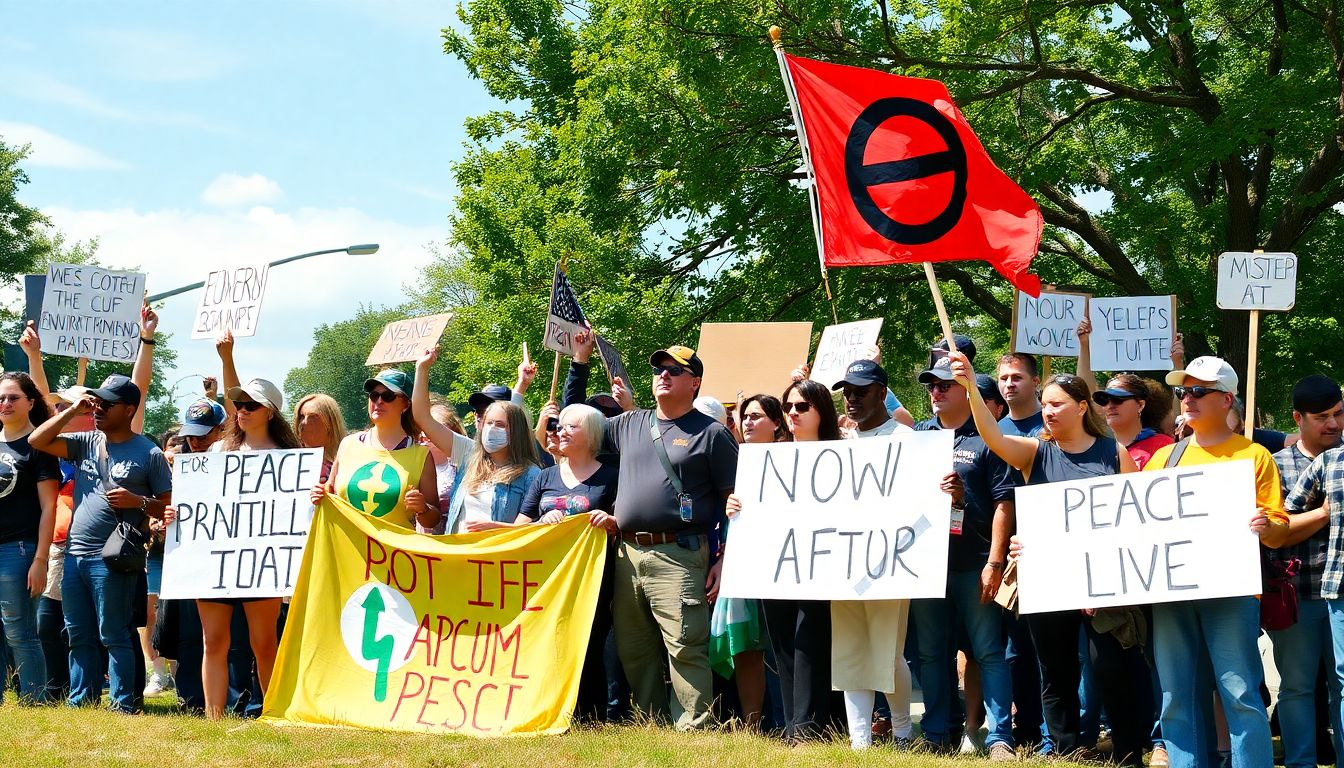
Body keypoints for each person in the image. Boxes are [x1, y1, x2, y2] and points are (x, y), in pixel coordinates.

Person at [950, 351, 1155, 765]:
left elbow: (1135, 520)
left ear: (1081, 407)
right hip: (1049, 582)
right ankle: (1064, 751)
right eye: (1044, 405)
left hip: (1104, 585)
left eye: (1057, 404)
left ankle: (1129, 752)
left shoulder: (1114, 455)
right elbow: (992, 436)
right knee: (1056, 674)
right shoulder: (1034, 454)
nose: (1048, 412)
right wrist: (972, 387)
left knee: (1111, 670)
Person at [1143, 355, 1291, 768]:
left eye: (1198, 391)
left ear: (1226, 400)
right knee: (1175, 696)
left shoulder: (1254, 456)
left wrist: (1267, 526)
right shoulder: (1163, 459)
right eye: (1182, 391)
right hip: (1172, 594)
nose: (1187, 399)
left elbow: (1279, 527)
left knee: (1241, 694)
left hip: (1233, 592)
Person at [602, 344, 737, 730]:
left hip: (680, 553)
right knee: (634, 647)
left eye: (674, 371)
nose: (663, 374)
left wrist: (724, 559)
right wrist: (579, 363)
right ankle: (652, 724)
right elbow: (573, 428)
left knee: (684, 645)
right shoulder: (629, 424)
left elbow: (737, 503)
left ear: (694, 383)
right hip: (627, 555)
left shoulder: (711, 434)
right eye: (659, 368)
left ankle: (695, 726)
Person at [29, 374, 172, 713]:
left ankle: (122, 702)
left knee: (113, 632)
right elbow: (38, 439)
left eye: (108, 403)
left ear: (129, 409)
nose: (99, 408)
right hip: (75, 555)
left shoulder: (148, 452)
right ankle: (82, 698)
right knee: (77, 632)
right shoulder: (86, 441)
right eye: (98, 401)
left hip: (114, 557)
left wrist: (138, 501)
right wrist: (71, 411)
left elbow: (168, 505)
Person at [909, 358, 1017, 761]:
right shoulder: (919, 435)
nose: (935, 392)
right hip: (924, 565)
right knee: (932, 653)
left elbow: (1004, 504)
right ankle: (936, 733)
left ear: (965, 390)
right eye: (931, 386)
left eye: (944, 385)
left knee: (989, 651)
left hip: (973, 563)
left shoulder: (987, 436)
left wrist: (994, 561)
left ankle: (999, 736)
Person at [725, 384, 834, 741]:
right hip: (776, 564)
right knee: (783, 645)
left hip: (822, 565)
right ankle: (791, 727)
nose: (793, 412)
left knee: (808, 644)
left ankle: (808, 726)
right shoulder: (769, 459)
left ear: (821, 409)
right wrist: (734, 506)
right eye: (788, 406)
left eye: (802, 405)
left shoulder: (842, 454)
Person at [818, 360, 917, 750]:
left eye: (861, 391)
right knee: (850, 650)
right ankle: (860, 742)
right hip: (843, 561)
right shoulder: (838, 445)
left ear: (882, 393)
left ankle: (904, 732)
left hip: (891, 562)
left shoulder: (907, 441)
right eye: (847, 391)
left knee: (888, 652)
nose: (852, 399)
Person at [193, 375, 301, 720]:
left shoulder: (290, 457)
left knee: (264, 643)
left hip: (262, 561)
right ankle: (214, 718)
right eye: (238, 404)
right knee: (213, 642)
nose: (242, 410)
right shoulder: (216, 451)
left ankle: (272, 712)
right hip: (217, 558)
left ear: (270, 412)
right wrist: (176, 512)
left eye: (251, 405)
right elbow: (200, 502)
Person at [518, 403, 617, 721]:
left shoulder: (612, 476)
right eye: (559, 425)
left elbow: (625, 523)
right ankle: (551, 709)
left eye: (570, 426)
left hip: (595, 578)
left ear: (591, 434)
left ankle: (591, 716)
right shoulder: (544, 476)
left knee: (590, 644)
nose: (559, 431)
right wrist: (542, 521)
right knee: (552, 640)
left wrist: (610, 520)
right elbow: (520, 529)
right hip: (549, 578)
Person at [1265, 375, 1344, 768]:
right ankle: (1300, 762)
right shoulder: (1274, 467)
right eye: (1322, 417)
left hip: (1341, 595)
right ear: (1298, 418)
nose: (1333, 424)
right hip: (1296, 595)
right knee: (1296, 688)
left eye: (1339, 414)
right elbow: (1274, 534)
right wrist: (1326, 512)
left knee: (1343, 687)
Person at [412, 348, 540, 534]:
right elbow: (423, 417)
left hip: (497, 558)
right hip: (459, 556)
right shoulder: (468, 453)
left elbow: (534, 532)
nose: (491, 429)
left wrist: (497, 530)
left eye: (499, 425)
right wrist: (422, 369)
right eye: (487, 422)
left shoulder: (531, 475)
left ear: (515, 431)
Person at [699, 394, 768, 729]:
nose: (748, 422)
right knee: (732, 644)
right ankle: (730, 719)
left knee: (756, 646)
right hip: (712, 562)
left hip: (764, 566)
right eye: (746, 416)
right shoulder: (723, 459)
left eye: (757, 416)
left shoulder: (764, 460)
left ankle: (761, 721)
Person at [315, 369, 440, 532]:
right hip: (348, 548)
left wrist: (423, 509)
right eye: (374, 395)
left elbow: (433, 519)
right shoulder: (348, 444)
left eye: (388, 396)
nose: (379, 401)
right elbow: (329, 492)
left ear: (405, 405)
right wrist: (319, 493)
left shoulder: (421, 455)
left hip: (392, 553)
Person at [0, 372, 60, 704]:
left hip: (19, 550)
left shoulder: (38, 445)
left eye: (12, 398)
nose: (5, 404)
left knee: (19, 631)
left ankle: (35, 701)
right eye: (1, 398)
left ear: (30, 403)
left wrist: (40, 560)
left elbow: (49, 506)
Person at [292, 393, 347, 483]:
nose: (304, 422)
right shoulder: (289, 464)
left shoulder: (351, 459)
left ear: (331, 421)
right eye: (302, 417)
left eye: (313, 416)